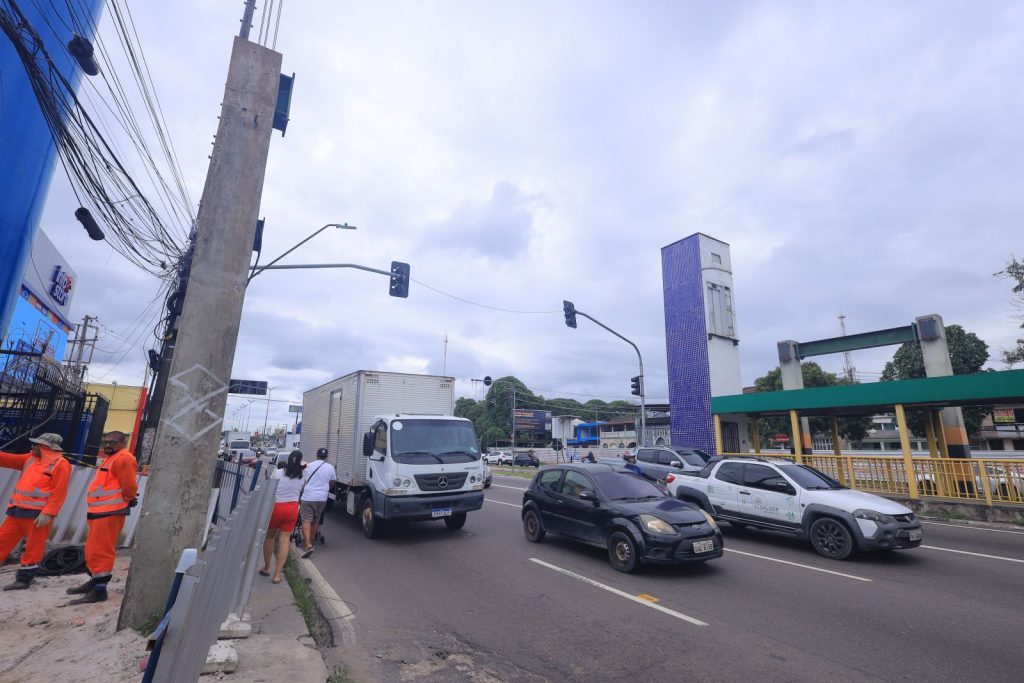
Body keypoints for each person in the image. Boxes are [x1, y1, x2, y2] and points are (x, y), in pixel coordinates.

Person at [66, 431, 138, 603]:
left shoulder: (123, 458)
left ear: (123, 443)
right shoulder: (111, 458)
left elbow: (129, 485)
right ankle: (94, 581)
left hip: (110, 511)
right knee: (93, 548)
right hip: (100, 511)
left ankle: (99, 589)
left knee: (102, 549)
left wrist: (130, 498)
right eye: (105, 441)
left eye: (112, 442)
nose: (107, 445)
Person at [0, 433, 72, 590]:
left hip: (37, 514)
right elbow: (5, 459)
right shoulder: (30, 459)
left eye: (37, 444)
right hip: (16, 510)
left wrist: (48, 512)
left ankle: (24, 579)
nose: (33, 446)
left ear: (46, 447)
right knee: (2, 540)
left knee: (33, 547)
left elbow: (59, 492)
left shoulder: (61, 465)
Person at [261, 450, 304, 583]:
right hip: (292, 509)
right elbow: (306, 465)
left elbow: (269, 488)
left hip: (277, 507)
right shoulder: (303, 475)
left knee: (269, 538)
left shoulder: (278, 472)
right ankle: (277, 575)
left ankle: (267, 568)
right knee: (284, 540)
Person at [299, 447, 335, 558]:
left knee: (306, 520)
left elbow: (303, 481)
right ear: (326, 456)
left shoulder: (308, 466)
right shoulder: (330, 467)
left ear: (317, 455)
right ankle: (311, 542)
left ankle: (308, 545)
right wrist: (324, 489)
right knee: (316, 521)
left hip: (308, 497)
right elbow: (332, 483)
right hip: (322, 498)